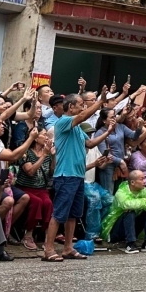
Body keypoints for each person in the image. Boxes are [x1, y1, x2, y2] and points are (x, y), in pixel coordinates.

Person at [43, 91, 114, 262]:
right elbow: (83, 116)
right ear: (70, 106)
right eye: (80, 104)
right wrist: (100, 102)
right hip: (65, 175)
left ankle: (68, 248)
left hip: (77, 175)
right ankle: (49, 249)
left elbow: (89, 143)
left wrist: (108, 131)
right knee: (59, 213)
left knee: (73, 214)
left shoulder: (77, 129)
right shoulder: (64, 122)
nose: (82, 107)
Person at [101, 169, 146, 253]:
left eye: (144, 179)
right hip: (116, 231)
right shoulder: (121, 192)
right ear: (132, 182)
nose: (145, 182)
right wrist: (143, 201)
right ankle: (130, 244)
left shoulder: (144, 190)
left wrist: (138, 204)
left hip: (132, 228)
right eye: (141, 179)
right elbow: (126, 205)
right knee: (129, 211)